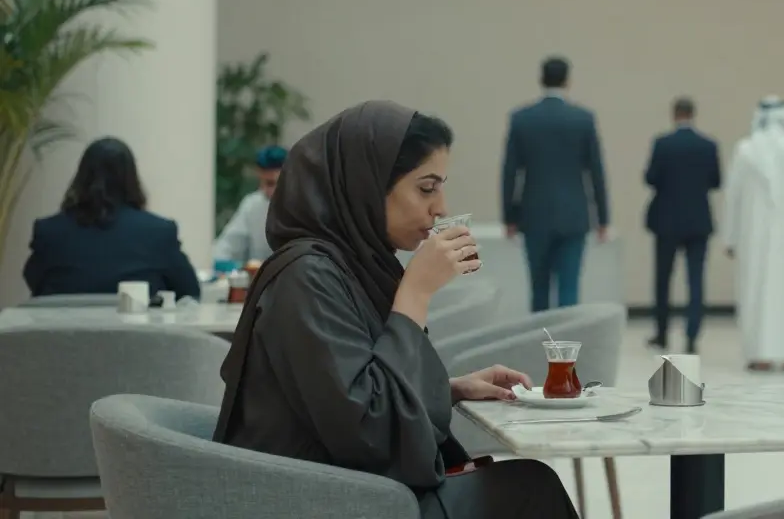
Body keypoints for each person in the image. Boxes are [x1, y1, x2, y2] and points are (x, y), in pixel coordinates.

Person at [214, 101, 579, 519]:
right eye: (426, 188)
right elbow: (369, 433)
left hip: (345, 485)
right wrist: (415, 293)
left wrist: (447, 387)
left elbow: (353, 389)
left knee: (525, 483)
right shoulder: (307, 276)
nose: (440, 207)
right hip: (320, 500)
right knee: (529, 489)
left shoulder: (347, 264)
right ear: (365, 186)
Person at [23, 137, 202, 301]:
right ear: (131, 178)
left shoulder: (48, 232)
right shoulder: (160, 232)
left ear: (81, 176)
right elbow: (190, 291)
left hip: (60, 335)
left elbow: (35, 284)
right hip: (138, 336)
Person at [723, 97, 784, 371]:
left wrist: (730, 237)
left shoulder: (745, 150)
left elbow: (733, 199)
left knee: (756, 291)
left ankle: (760, 355)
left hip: (752, 236)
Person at [502, 56, 609, 311]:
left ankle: (541, 345)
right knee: (569, 289)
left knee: (539, 288)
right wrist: (603, 218)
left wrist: (509, 216)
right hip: (574, 215)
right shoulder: (583, 119)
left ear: (541, 80)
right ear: (568, 81)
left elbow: (509, 172)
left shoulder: (521, 118)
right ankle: (566, 346)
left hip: (534, 213)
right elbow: (596, 171)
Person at [644, 97, 722, 353]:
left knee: (663, 279)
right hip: (698, 220)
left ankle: (662, 333)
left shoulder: (663, 144)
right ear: (693, 114)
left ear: (674, 114)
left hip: (666, 220)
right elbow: (716, 181)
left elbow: (651, 177)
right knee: (696, 279)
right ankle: (691, 337)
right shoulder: (708, 145)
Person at [213, 144, 287, 266]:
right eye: (262, 182)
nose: (265, 190)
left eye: (271, 183)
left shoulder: (306, 206)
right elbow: (226, 248)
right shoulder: (253, 204)